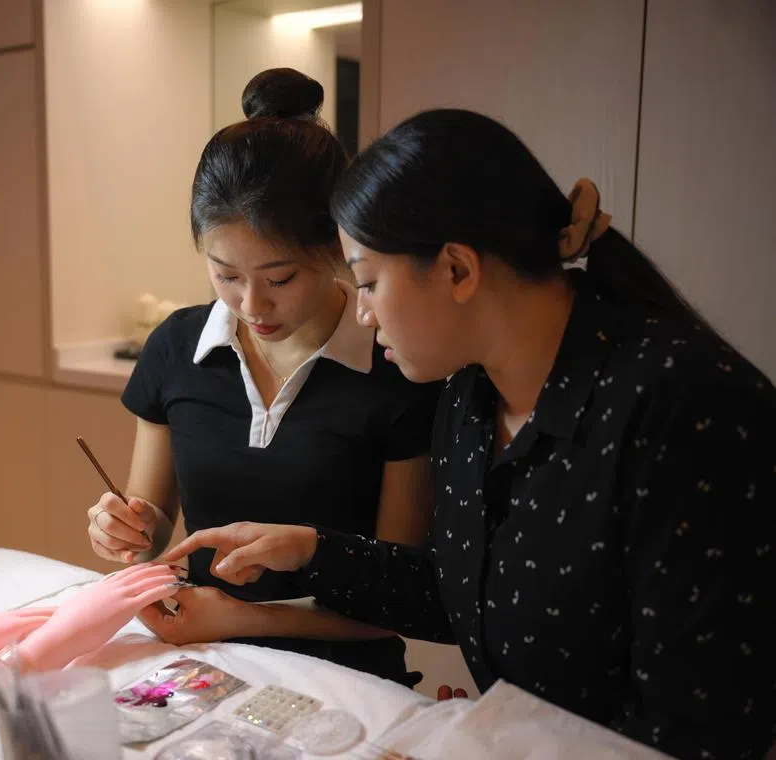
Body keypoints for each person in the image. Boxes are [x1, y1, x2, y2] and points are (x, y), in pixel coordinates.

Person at [161, 108, 776, 759]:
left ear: (457, 269)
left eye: (367, 282)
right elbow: (461, 588)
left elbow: (703, 729)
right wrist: (310, 550)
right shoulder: (469, 397)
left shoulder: (685, 407)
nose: (363, 314)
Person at [84, 69, 442, 686]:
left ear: (335, 249)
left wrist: (240, 617)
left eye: (280, 280)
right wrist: (123, 530)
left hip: (346, 685)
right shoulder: (178, 348)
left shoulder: (396, 368)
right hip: (200, 668)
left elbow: (400, 599)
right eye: (225, 274)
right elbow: (154, 537)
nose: (251, 305)